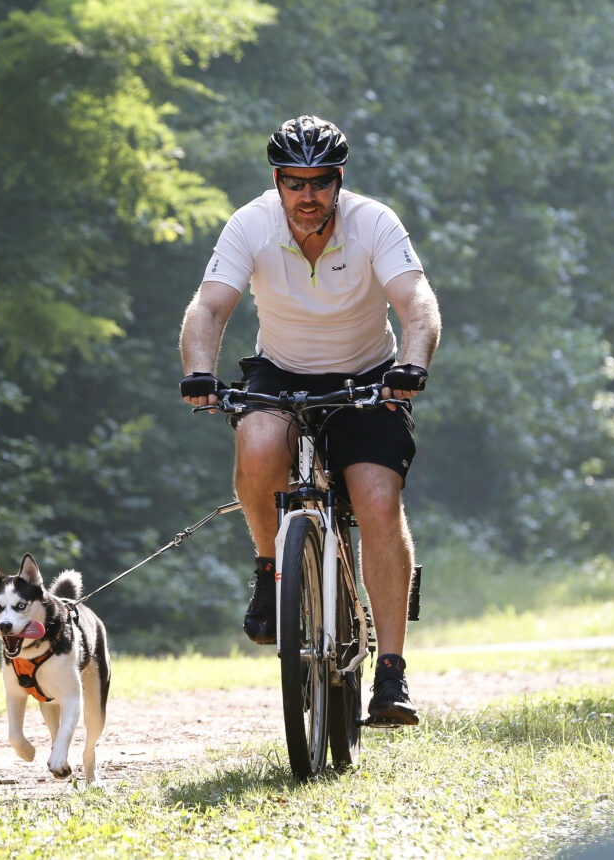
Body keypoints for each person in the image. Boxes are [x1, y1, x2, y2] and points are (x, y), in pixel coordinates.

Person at [178, 114, 441, 727]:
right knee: (258, 436)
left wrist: (411, 364)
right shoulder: (251, 224)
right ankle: (271, 569)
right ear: (277, 182)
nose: (307, 196)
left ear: (337, 180)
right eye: (294, 182)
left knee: (377, 500)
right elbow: (209, 305)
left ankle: (392, 676)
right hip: (282, 370)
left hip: (370, 377)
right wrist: (198, 371)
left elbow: (417, 303)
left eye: (319, 182)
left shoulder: (373, 222)